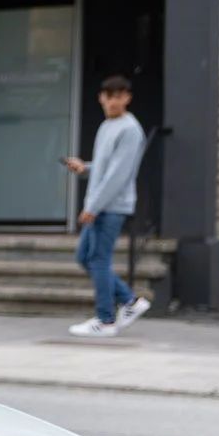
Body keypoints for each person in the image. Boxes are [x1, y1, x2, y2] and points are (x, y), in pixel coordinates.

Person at [64, 76, 149, 339]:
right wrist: (85, 168)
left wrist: (92, 206)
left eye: (119, 96)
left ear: (127, 98)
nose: (113, 101)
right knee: (84, 257)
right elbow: (105, 169)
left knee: (99, 259)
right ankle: (129, 301)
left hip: (111, 207)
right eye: (109, 96)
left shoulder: (130, 130)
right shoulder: (106, 126)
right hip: (101, 204)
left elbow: (118, 176)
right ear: (101, 97)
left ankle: (106, 320)